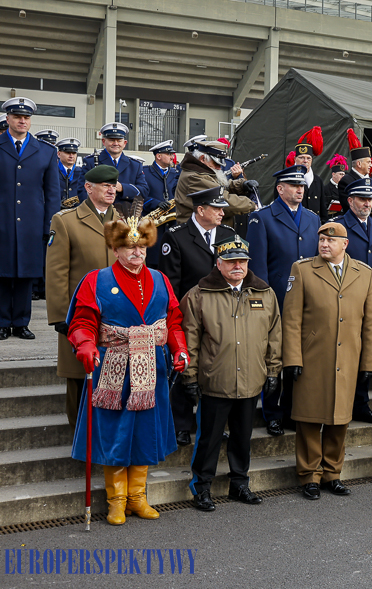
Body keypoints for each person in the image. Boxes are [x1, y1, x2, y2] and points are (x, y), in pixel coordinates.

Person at [67, 206, 189, 526]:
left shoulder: (161, 280)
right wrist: (86, 344)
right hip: (114, 368)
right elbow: (81, 322)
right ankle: (117, 500)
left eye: (141, 247)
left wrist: (180, 349)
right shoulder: (96, 280)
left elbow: (174, 322)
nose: (136, 252)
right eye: (128, 247)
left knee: (146, 433)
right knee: (115, 433)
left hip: (153, 367)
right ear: (116, 249)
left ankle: (138, 497)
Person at [181, 236, 281, 511]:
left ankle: (239, 484)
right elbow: (189, 339)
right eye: (231, 261)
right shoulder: (199, 294)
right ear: (219, 263)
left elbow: (274, 335)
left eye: (242, 261)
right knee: (209, 439)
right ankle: (201, 487)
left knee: (242, 438)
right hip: (215, 380)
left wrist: (273, 371)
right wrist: (189, 376)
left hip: (251, 380)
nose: (237, 266)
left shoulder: (265, 293)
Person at [281, 222, 372, 498]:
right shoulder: (302, 270)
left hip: (348, 358)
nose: (324, 245)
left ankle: (332, 473)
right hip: (313, 358)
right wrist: (292, 358)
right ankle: (309, 475)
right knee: (310, 418)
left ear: (345, 244)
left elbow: (370, 323)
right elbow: (291, 320)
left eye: (331, 241)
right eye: (321, 240)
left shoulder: (364, 273)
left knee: (340, 420)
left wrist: (370, 364)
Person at [158, 187, 236, 446]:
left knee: (216, 369)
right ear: (200, 210)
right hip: (188, 315)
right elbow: (172, 283)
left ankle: (213, 423)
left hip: (223, 315)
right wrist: (176, 320)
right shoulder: (176, 236)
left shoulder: (228, 234)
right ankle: (181, 424)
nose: (223, 213)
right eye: (217, 208)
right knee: (184, 368)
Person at [247, 165, 320, 436]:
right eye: (294, 185)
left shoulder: (312, 219)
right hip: (275, 299)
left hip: (306, 302)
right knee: (273, 359)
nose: (300, 190)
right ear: (280, 189)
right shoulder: (262, 218)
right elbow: (258, 267)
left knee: (298, 359)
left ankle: (292, 411)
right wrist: (264, 302)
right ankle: (272, 412)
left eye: (302, 186)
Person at [46, 165, 120, 427]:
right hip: (79, 315)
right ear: (89, 188)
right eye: (105, 185)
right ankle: (79, 434)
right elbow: (56, 272)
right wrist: (59, 315)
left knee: (110, 374)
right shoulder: (66, 221)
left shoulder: (121, 222)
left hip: (115, 316)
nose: (112, 189)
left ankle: (103, 432)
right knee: (79, 377)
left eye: (114, 185)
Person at [0, 97, 61, 341]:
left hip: (32, 224)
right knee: (0, 274)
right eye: (17, 117)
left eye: (26, 117)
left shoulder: (46, 151)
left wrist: (50, 226)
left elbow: (53, 193)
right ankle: (1, 323)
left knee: (26, 275)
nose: (22, 121)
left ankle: (21, 323)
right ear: (7, 119)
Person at [333, 177, 372, 425]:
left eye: (370, 199)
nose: (367, 204)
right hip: (346, 297)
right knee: (346, 351)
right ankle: (343, 402)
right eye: (363, 199)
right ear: (350, 200)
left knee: (366, 349)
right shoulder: (337, 226)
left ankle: (361, 404)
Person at [174, 139, 255, 223]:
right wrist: (253, 205)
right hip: (199, 232)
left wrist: (241, 185)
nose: (219, 168)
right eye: (216, 163)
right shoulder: (195, 177)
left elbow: (218, 185)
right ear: (202, 159)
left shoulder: (200, 171)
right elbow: (223, 200)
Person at [82, 122, 147, 203]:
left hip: (126, 213)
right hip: (98, 212)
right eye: (111, 140)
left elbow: (144, 191)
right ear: (103, 141)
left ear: (125, 143)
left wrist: (123, 188)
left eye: (119, 140)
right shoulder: (91, 162)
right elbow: (82, 190)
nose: (116, 144)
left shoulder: (135, 165)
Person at [290, 136, 329, 223]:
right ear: (294, 159)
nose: (305, 161)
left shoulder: (318, 180)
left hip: (314, 226)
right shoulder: (287, 178)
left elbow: (323, 209)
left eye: (308, 158)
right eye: (301, 157)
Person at [57, 138, 87, 207]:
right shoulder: (51, 172)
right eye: (68, 153)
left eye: (74, 153)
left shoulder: (82, 172)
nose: (71, 156)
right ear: (59, 154)